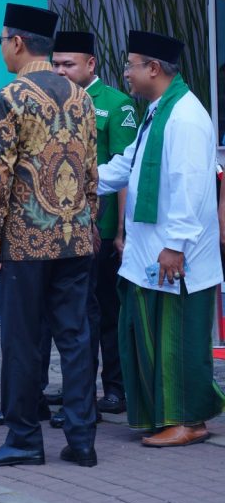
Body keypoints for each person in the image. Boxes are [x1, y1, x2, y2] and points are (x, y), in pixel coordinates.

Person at [0, 3, 98, 469]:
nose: (3, 48)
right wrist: (87, 223)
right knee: (76, 337)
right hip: (76, 235)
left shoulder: (9, 97)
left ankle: (24, 438)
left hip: (27, 241)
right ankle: (81, 439)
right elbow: (90, 171)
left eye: (2, 40)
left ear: (17, 42)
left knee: (24, 341)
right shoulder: (83, 97)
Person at [97, 30, 225, 447]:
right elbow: (126, 166)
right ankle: (166, 416)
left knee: (178, 339)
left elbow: (190, 186)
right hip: (153, 253)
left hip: (176, 256)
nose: (126, 72)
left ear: (153, 68)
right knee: (151, 334)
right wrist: (78, 182)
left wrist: (176, 245)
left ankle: (189, 421)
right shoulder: (158, 111)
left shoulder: (185, 116)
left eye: (131, 64)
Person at [52, 31, 137, 417]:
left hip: (100, 233)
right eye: (55, 64)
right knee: (73, 316)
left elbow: (125, 173)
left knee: (106, 313)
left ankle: (115, 388)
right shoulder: (52, 102)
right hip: (63, 233)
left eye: (68, 64)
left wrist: (119, 232)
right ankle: (79, 390)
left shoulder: (116, 105)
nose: (60, 71)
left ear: (91, 64)